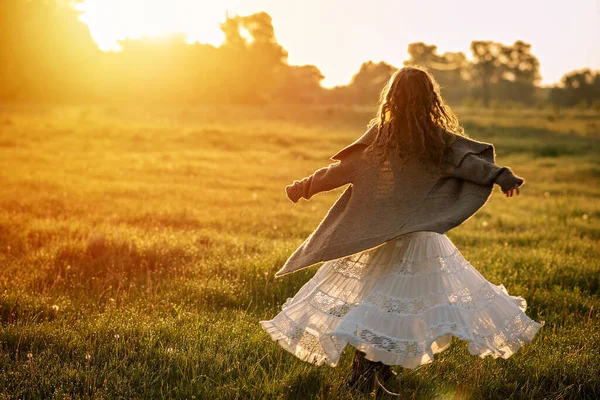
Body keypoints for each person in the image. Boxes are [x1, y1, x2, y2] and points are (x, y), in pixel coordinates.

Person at [259, 66, 543, 391]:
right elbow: (470, 165)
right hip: (417, 239)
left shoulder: (383, 138)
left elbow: (340, 171)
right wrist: (502, 175)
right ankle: (369, 371)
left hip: (380, 237)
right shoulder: (435, 140)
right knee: (394, 307)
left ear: (391, 98)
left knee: (376, 302)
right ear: (430, 99)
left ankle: (368, 371)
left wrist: (302, 187)